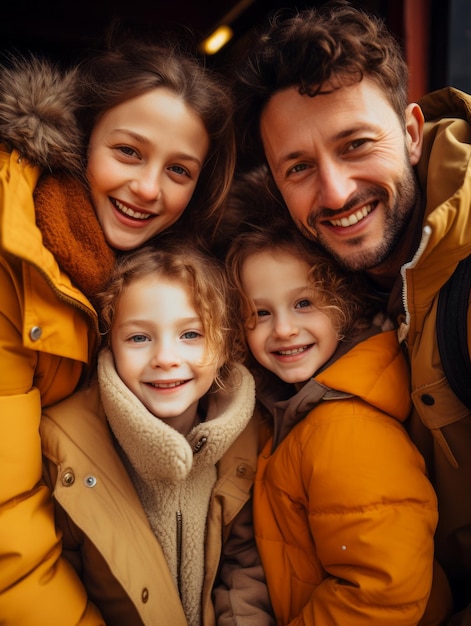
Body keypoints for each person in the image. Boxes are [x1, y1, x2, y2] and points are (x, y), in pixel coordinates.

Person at [232, 1, 471, 622]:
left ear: (412, 134)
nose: (335, 192)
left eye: (356, 144)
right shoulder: (336, 283)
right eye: (300, 168)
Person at [0, 37, 235, 624]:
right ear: (79, 138)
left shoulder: (160, 281)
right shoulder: (15, 259)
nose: (149, 189)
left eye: (178, 170)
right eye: (128, 152)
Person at [226, 219, 450, 625]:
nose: (284, 329)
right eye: (259, 312)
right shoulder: (288, 411)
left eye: (304, 303)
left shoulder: (344, 429)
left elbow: (381, 592)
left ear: (342, 302)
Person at [40, 240, 274, 626]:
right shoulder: (65, 444)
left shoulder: (249, 436)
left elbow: (243, 561)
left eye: (191, 335)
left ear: (225, 345)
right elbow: (57, 578)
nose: (166, 357)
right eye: (138, 338)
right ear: (110, 344)